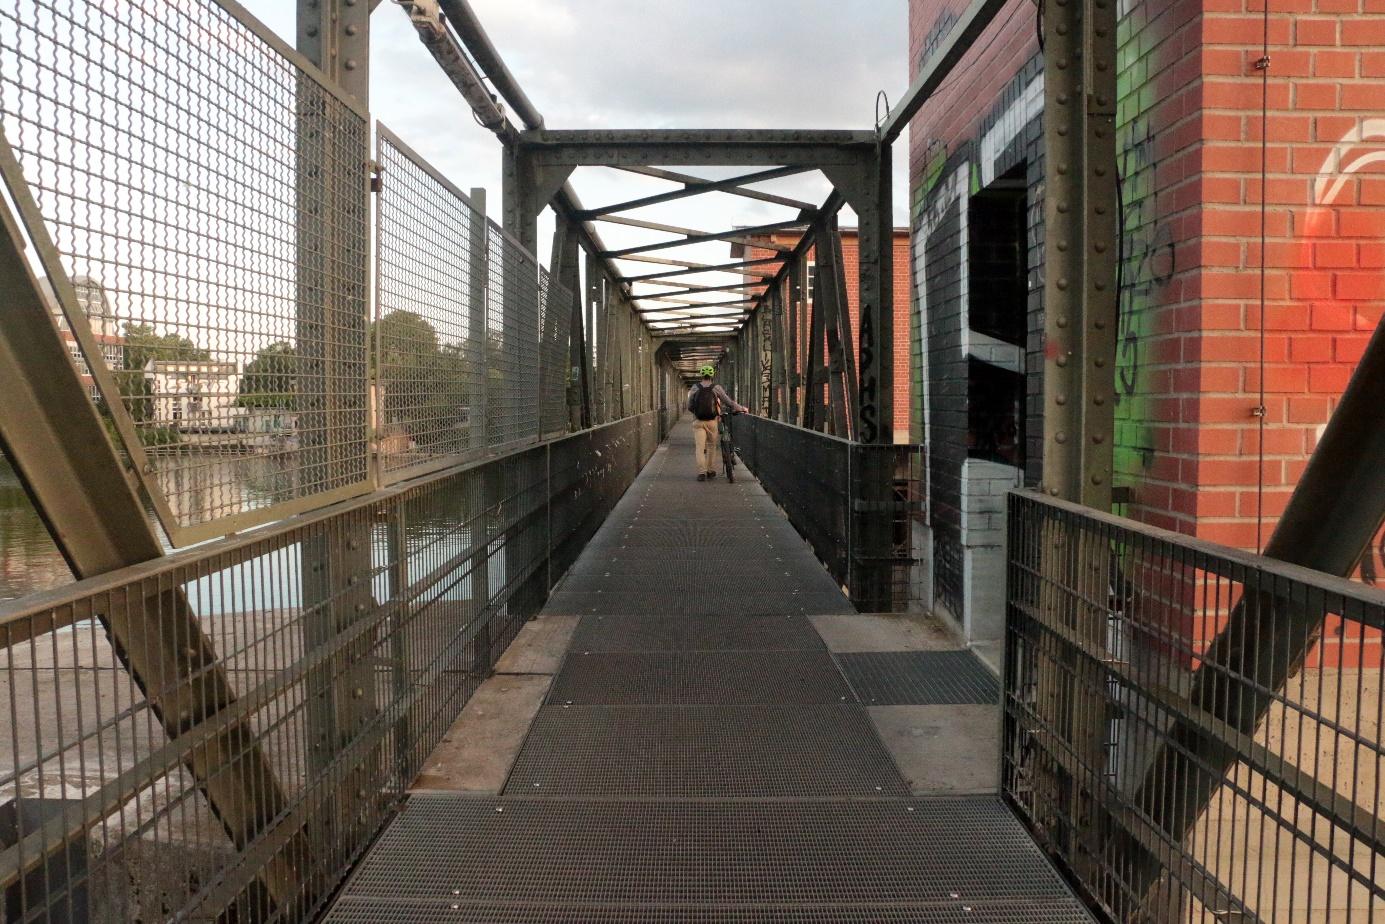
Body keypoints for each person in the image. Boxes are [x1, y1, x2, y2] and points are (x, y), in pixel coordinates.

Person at [687, 364, 748, 482]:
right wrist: (741, 408)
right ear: (711, 376)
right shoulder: (716, 388)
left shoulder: (695, 387)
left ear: (702, 375)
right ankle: (710, 470)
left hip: (698, 421)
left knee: (699, 448)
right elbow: (729, 402)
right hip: (712, 421)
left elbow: (689, 406)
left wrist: (697, 413)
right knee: (711, 446)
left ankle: (701, 473)